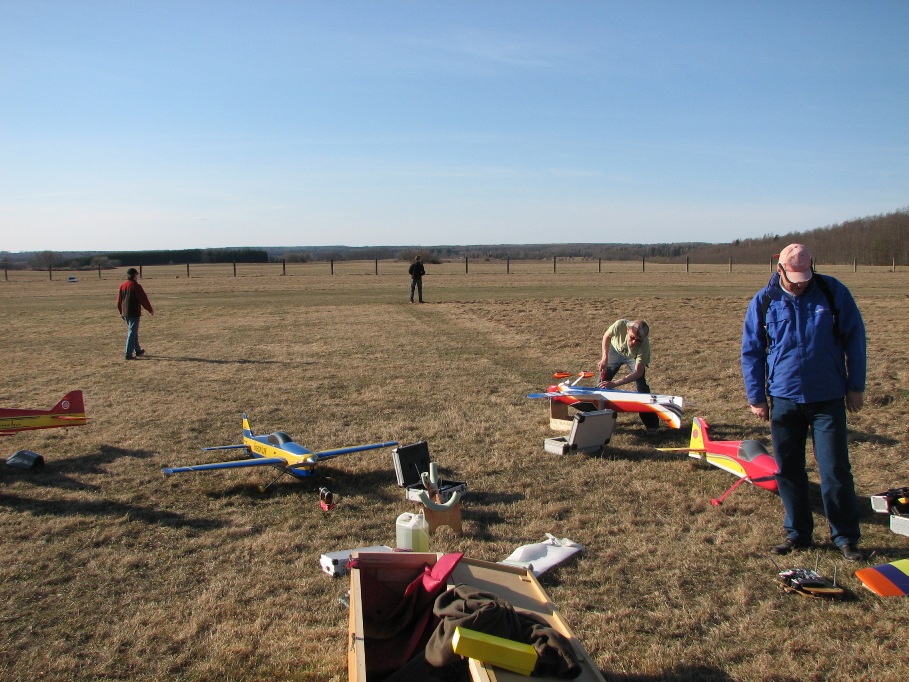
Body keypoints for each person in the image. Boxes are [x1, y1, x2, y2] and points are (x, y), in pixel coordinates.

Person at [741, 244, 866, 561]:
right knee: (788, 469)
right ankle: (798, 533)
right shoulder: (764, 301)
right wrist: (756, 397)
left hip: (828, 398)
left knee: (835, 469)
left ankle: (845, 537)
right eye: (794, 277)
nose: (800, 284)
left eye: (805, 276)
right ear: (779, 269)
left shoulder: (833, 292)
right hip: (784, 399)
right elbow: (752, 351)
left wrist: (856, 386)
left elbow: (855, 338)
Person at [596, 319, 661, 431]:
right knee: (600, 385)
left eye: (638, 340)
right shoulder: (619, 325)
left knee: (641, 389)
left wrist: (614, 384)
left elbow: (638, 373)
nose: (634, 342)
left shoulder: (644, 346)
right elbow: (607, 336)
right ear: (627, 330)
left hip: (633, 357)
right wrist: (604, 358)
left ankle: (652, 426)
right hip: (615, 350)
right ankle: (597, 419)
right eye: (632, 337)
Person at [117, 267, 154, 360]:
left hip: (125, 313)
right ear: (134, 275)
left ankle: (138, 350)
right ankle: (128, 353)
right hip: (133, 312)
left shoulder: (122, 285)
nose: (137, 276)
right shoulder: (136, 286)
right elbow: (143, 299)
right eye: (136, 275)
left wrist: (121, 311)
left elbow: (119, 300)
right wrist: (150, 309)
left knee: (133, 331)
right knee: (132, 332)